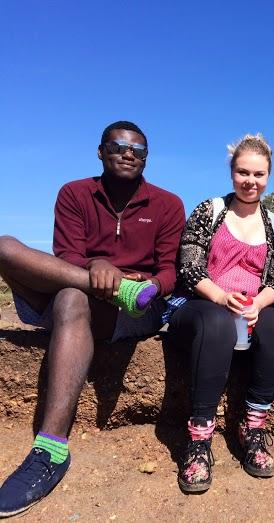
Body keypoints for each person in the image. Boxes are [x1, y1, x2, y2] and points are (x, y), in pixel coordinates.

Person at [0, 121, 185, 516]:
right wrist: (98, 269)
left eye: (138, 148)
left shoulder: (168, 204)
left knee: (70, 299)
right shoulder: (74, 194)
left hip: (136, 308)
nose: (129, 153)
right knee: (6, 249)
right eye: (118, 145)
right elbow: (64, 256)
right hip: (82, 291)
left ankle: (50, 447)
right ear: (100, 151)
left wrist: (148, 284)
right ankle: (50, 454)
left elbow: (171, 271)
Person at [166, 134, 274, 494]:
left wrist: (257, 304)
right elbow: (189, 266)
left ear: (269, 176)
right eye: (243, 172)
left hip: (250, 308)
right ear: (231, 172)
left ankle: (252, 425)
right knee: (218, 323)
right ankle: (199, 436)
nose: (250, 181)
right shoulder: (210, 211)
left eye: (259, 174)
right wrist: (221, 297)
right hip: (202, 305)